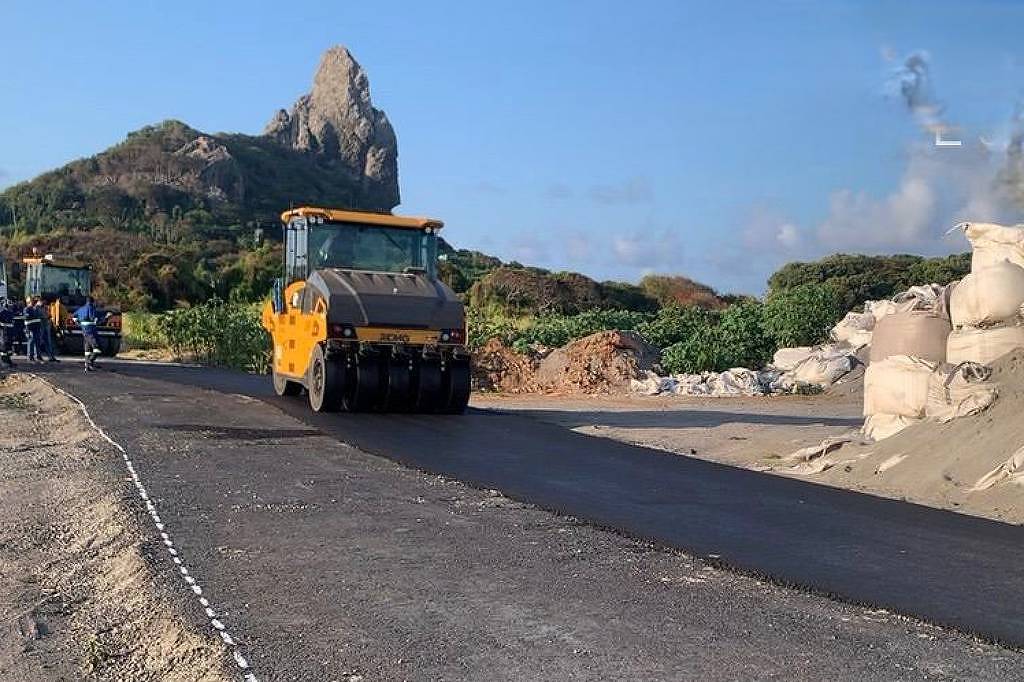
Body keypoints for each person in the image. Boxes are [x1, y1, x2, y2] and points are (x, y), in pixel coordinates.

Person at [74, 296, 103, 371]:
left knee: (87, 349)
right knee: (97, 347)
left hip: (84, 330)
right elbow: (94, 318)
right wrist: (105, 317)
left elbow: (74, 316)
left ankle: (87, 366)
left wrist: (78, 323)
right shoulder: (91, 308)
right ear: (92, 302)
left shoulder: (80, 309)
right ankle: (90, 361)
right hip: (91, 331)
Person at [23, 297, 43, 363]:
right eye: (32, 301)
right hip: (30, 328)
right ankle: (30, 357)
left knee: (38, 342)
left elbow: (40, 317)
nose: (34, 302)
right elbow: (27, 318)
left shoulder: (37, 308)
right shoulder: (27, 309)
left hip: (37, 327)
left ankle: (38, 357)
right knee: (31, 342)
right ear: (28, 302)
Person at [0, 300, 15, 369]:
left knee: (9, 348)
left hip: (10, 333)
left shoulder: (11, 313)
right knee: (4, 348)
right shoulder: (2, 313)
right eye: (9, 306)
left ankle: (8, 361)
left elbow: (12, 323)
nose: (11, 307)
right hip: (4, 333)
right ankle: (4, 361)